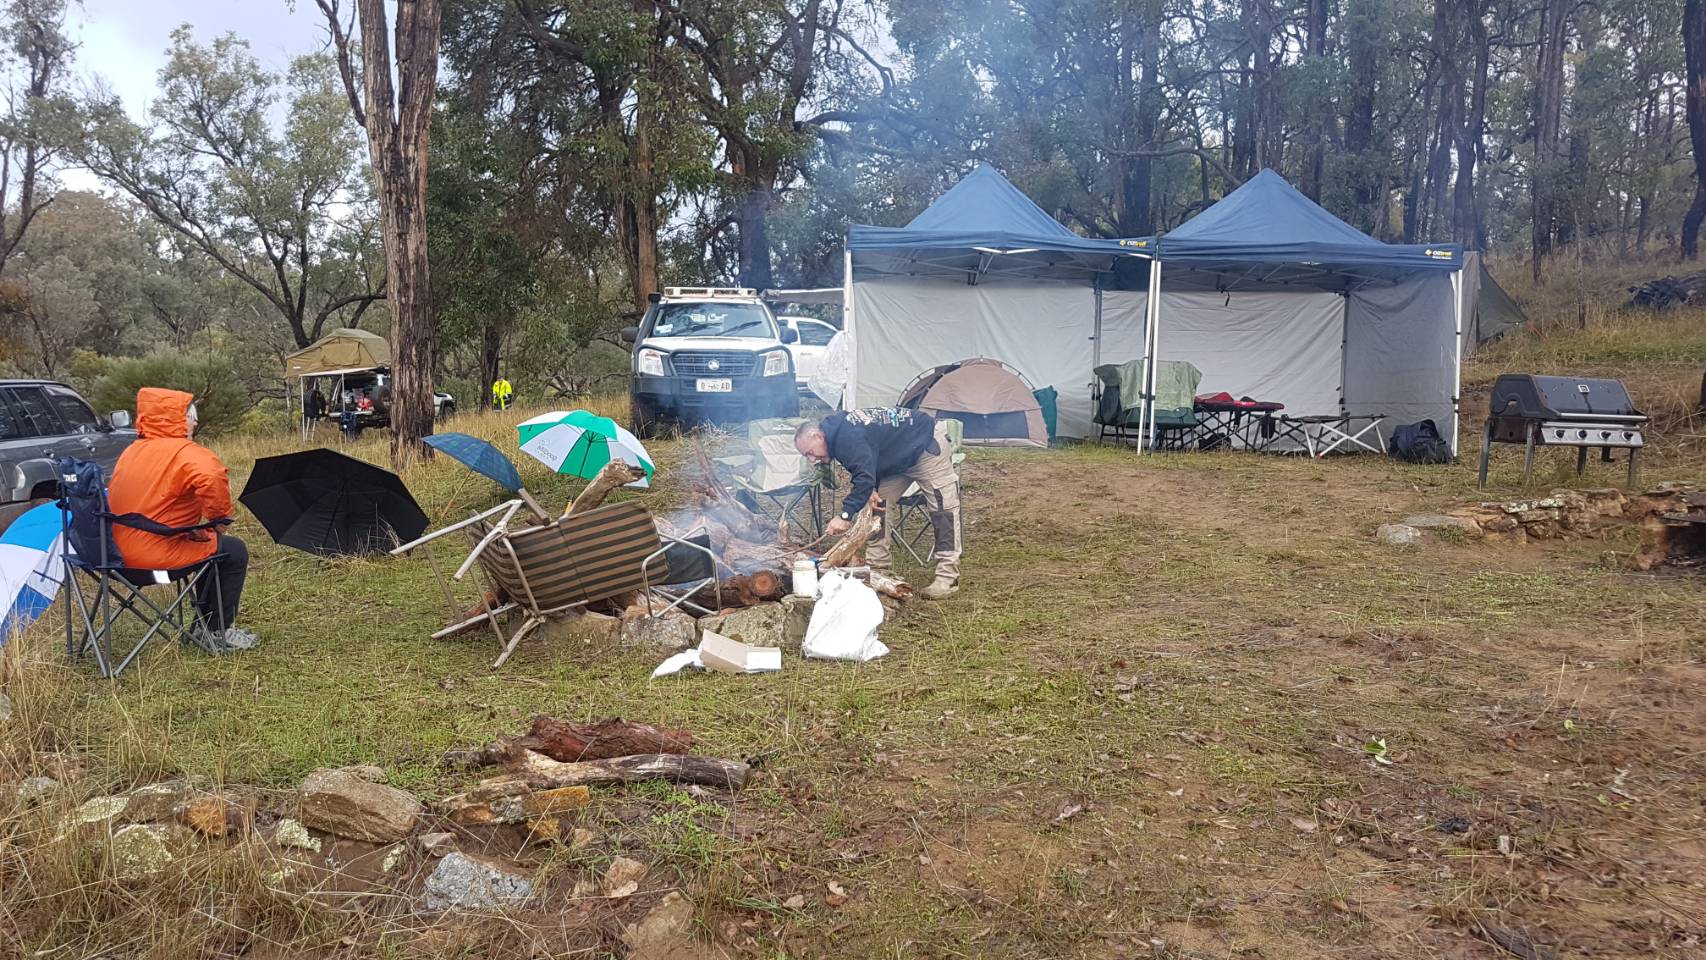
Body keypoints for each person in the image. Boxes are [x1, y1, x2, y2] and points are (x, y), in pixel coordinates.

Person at [107, 387, 258, 652]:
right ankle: (218, 630)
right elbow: (212, 478)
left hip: (114, 559)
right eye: (191, 416)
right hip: (155, 562)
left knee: (207, 543)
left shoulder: (131, 452)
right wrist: (219, 519)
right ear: (176, 419)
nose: (195, 421)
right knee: (233, 550)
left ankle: (208, 625)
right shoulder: (186, 453)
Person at [794, 407, 961, 599]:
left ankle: (947, 578)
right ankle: (879, 567)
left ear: (817, 436)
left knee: (943, 511)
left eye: (810, 453)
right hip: (896, 459)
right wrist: (870, 487)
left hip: (925, 447)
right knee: (877, 506)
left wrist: (845, 515)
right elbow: (866, 460)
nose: (812, 459)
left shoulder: (847, 437)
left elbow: (863, 476)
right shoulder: (837, 435)